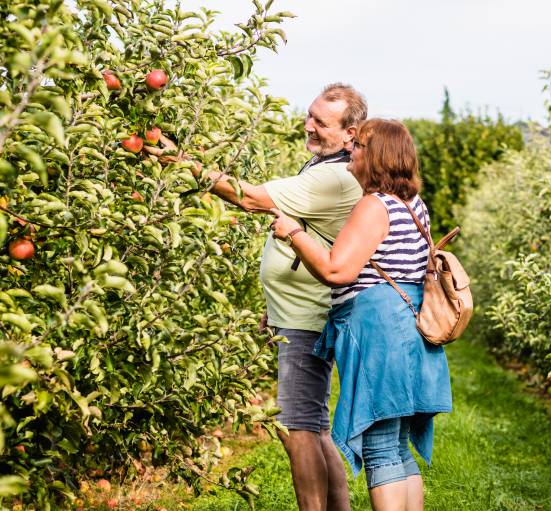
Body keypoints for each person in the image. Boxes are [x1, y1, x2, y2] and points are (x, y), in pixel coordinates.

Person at [146, 83, 367, 511]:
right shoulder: (327, 166)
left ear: (351, 134)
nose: (309, 126)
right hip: (300, 311)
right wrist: (274, 303)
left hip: (309, 316)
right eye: (310, 116)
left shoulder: (334, 177)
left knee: (297, 428)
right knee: (314, 426)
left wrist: (177, 160)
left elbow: (249, 198)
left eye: (321, 122)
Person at [270, 119, 453, 511]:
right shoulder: (414, 205)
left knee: (379, 448)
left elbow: (338, 270)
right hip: (409, 330)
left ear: (377, 156)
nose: (351, 150)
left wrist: (293, 233)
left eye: (360, 146)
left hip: (381, 334)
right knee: (397, 446)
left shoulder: (375, 205)